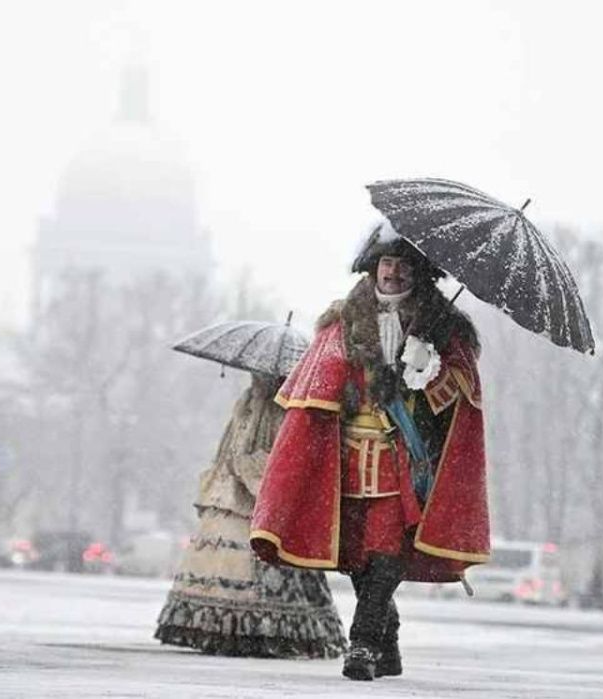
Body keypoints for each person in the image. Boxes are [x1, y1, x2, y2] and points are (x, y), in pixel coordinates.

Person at [251, 221, 490, 680]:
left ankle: (360, 644)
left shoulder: (444, 327)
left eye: (403, 266)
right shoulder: (341, 322)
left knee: (387, 551)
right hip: (345, 463)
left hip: (403, 461)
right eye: (387, 263)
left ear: (419, 273)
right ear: (373, 267)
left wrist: (428, 373)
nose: (393, 273)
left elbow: (462, 393)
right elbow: (316, 390)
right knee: (357, 557)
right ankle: (389, 640)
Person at [155, 371, 347, 658]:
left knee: (249, 557)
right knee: (253, 557)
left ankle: (232, 627)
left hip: (251, 496)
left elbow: (253, 452)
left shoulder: (269, 406)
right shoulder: (262, 405)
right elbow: (239, 452)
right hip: (244, 496)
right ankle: (257, 627)